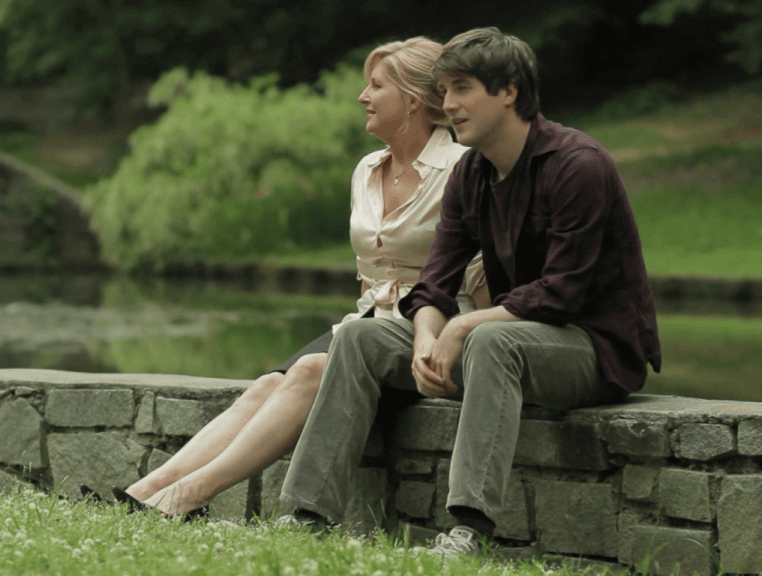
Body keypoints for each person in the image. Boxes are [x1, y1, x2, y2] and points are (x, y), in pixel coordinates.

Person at [277, 27, 661, 556]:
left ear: (508, 91)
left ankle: (468, 532)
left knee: (488, 341)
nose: (447, 104)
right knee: (360, 339)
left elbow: (563, 293)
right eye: (443, 91)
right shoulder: (471, 175)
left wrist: (460, 325)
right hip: (511, 342)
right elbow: (435, 281)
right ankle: (307, 516)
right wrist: (425, 339)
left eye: (461, 89)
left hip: (593, 348)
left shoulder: (578, 165)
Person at [98, 37, 487, 518]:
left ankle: (189, 496)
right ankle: (148, 491)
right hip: (369, 318)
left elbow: (479, 276)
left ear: (411, 99)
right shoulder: (367, 170)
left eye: (376, 86)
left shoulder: (462, 169)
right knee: (266, 384)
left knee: (308, 369)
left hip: (436, 325)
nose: (363, 97)